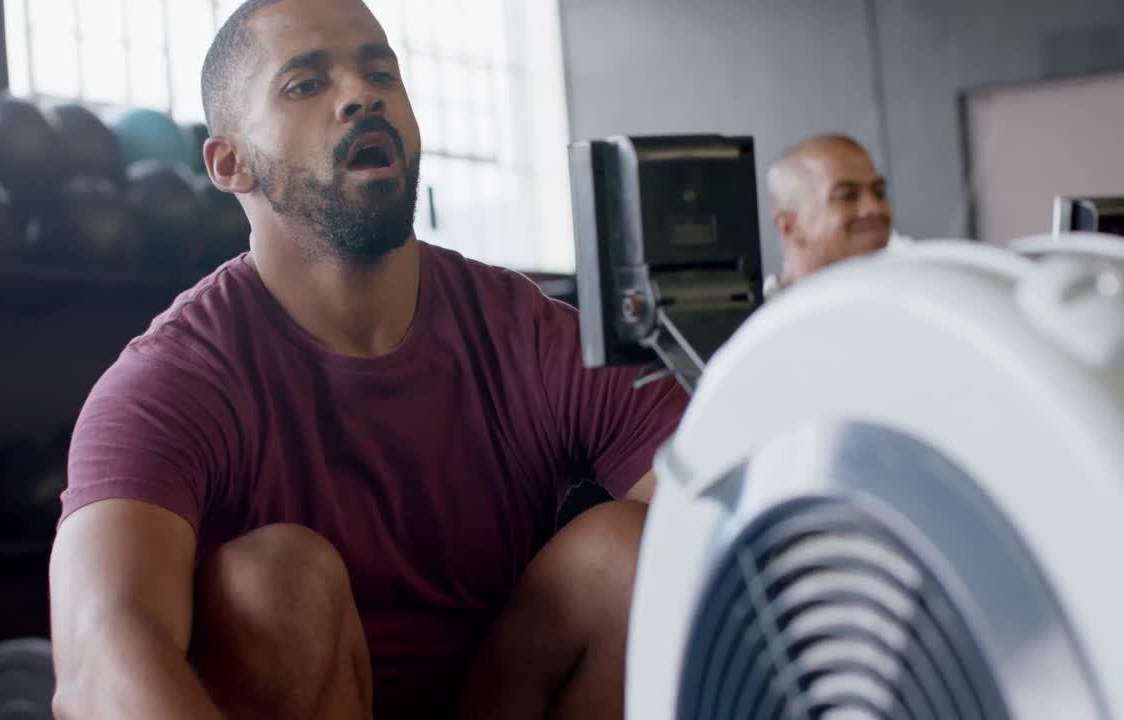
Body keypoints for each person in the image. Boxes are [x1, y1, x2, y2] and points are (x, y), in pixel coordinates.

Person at [47, 1, 688, 719]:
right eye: (305, 84)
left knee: (637, 550)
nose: (361, 93)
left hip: (495, 695)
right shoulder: (172, 382)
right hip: (290, 683)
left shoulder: (527, 332)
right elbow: (100, 658)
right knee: (280, 580)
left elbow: (731, 507)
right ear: (230, 162)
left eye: (380, 70)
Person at [763, 134, 904, 296]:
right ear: (790, 226)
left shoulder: (916, 298)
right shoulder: (758, 320)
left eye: (879, 192)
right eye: (847, 195)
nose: (875, 209)